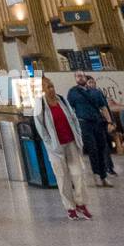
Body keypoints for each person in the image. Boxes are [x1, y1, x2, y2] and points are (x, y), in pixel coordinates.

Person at [35, 75, 91, 220]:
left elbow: (73, 118)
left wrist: (78, 134)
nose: (52, 89)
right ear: (42, 90)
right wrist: (50, 144)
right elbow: (41, 128)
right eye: (48, 87)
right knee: (62, 177)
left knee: (78, 173)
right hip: (56, 147)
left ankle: (81, 203)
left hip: (71, 141)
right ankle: (70, 207)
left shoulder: (62, 100)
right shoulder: (40, 105)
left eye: (52, 86)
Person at [67, 72, 113, 187]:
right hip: (84, 123)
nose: (80, 77)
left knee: (102, 148)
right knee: (92, 149)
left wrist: (110, 121)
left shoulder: (96, 92)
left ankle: (104, 176)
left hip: (97, 122)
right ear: (75, 79)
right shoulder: (73, 93)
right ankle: (96, 175)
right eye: (78, 76)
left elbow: (103, 107)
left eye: (82, 75)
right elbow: (70, 110)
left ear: (85, 77)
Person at [85, 76, 118, 176]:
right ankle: (100, 169)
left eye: (93, 82)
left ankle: (109, 167)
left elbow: (106, 107)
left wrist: (111, 121)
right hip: (93, 125)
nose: (92, 84)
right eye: (90, 82)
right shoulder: (85, 96)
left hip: (103, 123)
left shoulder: (99, 94)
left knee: (106, 146)